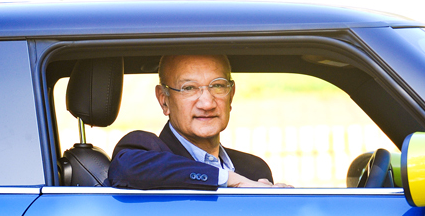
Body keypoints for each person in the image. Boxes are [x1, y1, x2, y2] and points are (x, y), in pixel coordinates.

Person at [108, 54, 289, 190]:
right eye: (189, 88)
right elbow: (125, 169)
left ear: (231, 96)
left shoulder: (254, 170)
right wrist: (230, 180)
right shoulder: (144, 152)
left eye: (217, 86)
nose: (207, 103)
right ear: (164, 100)